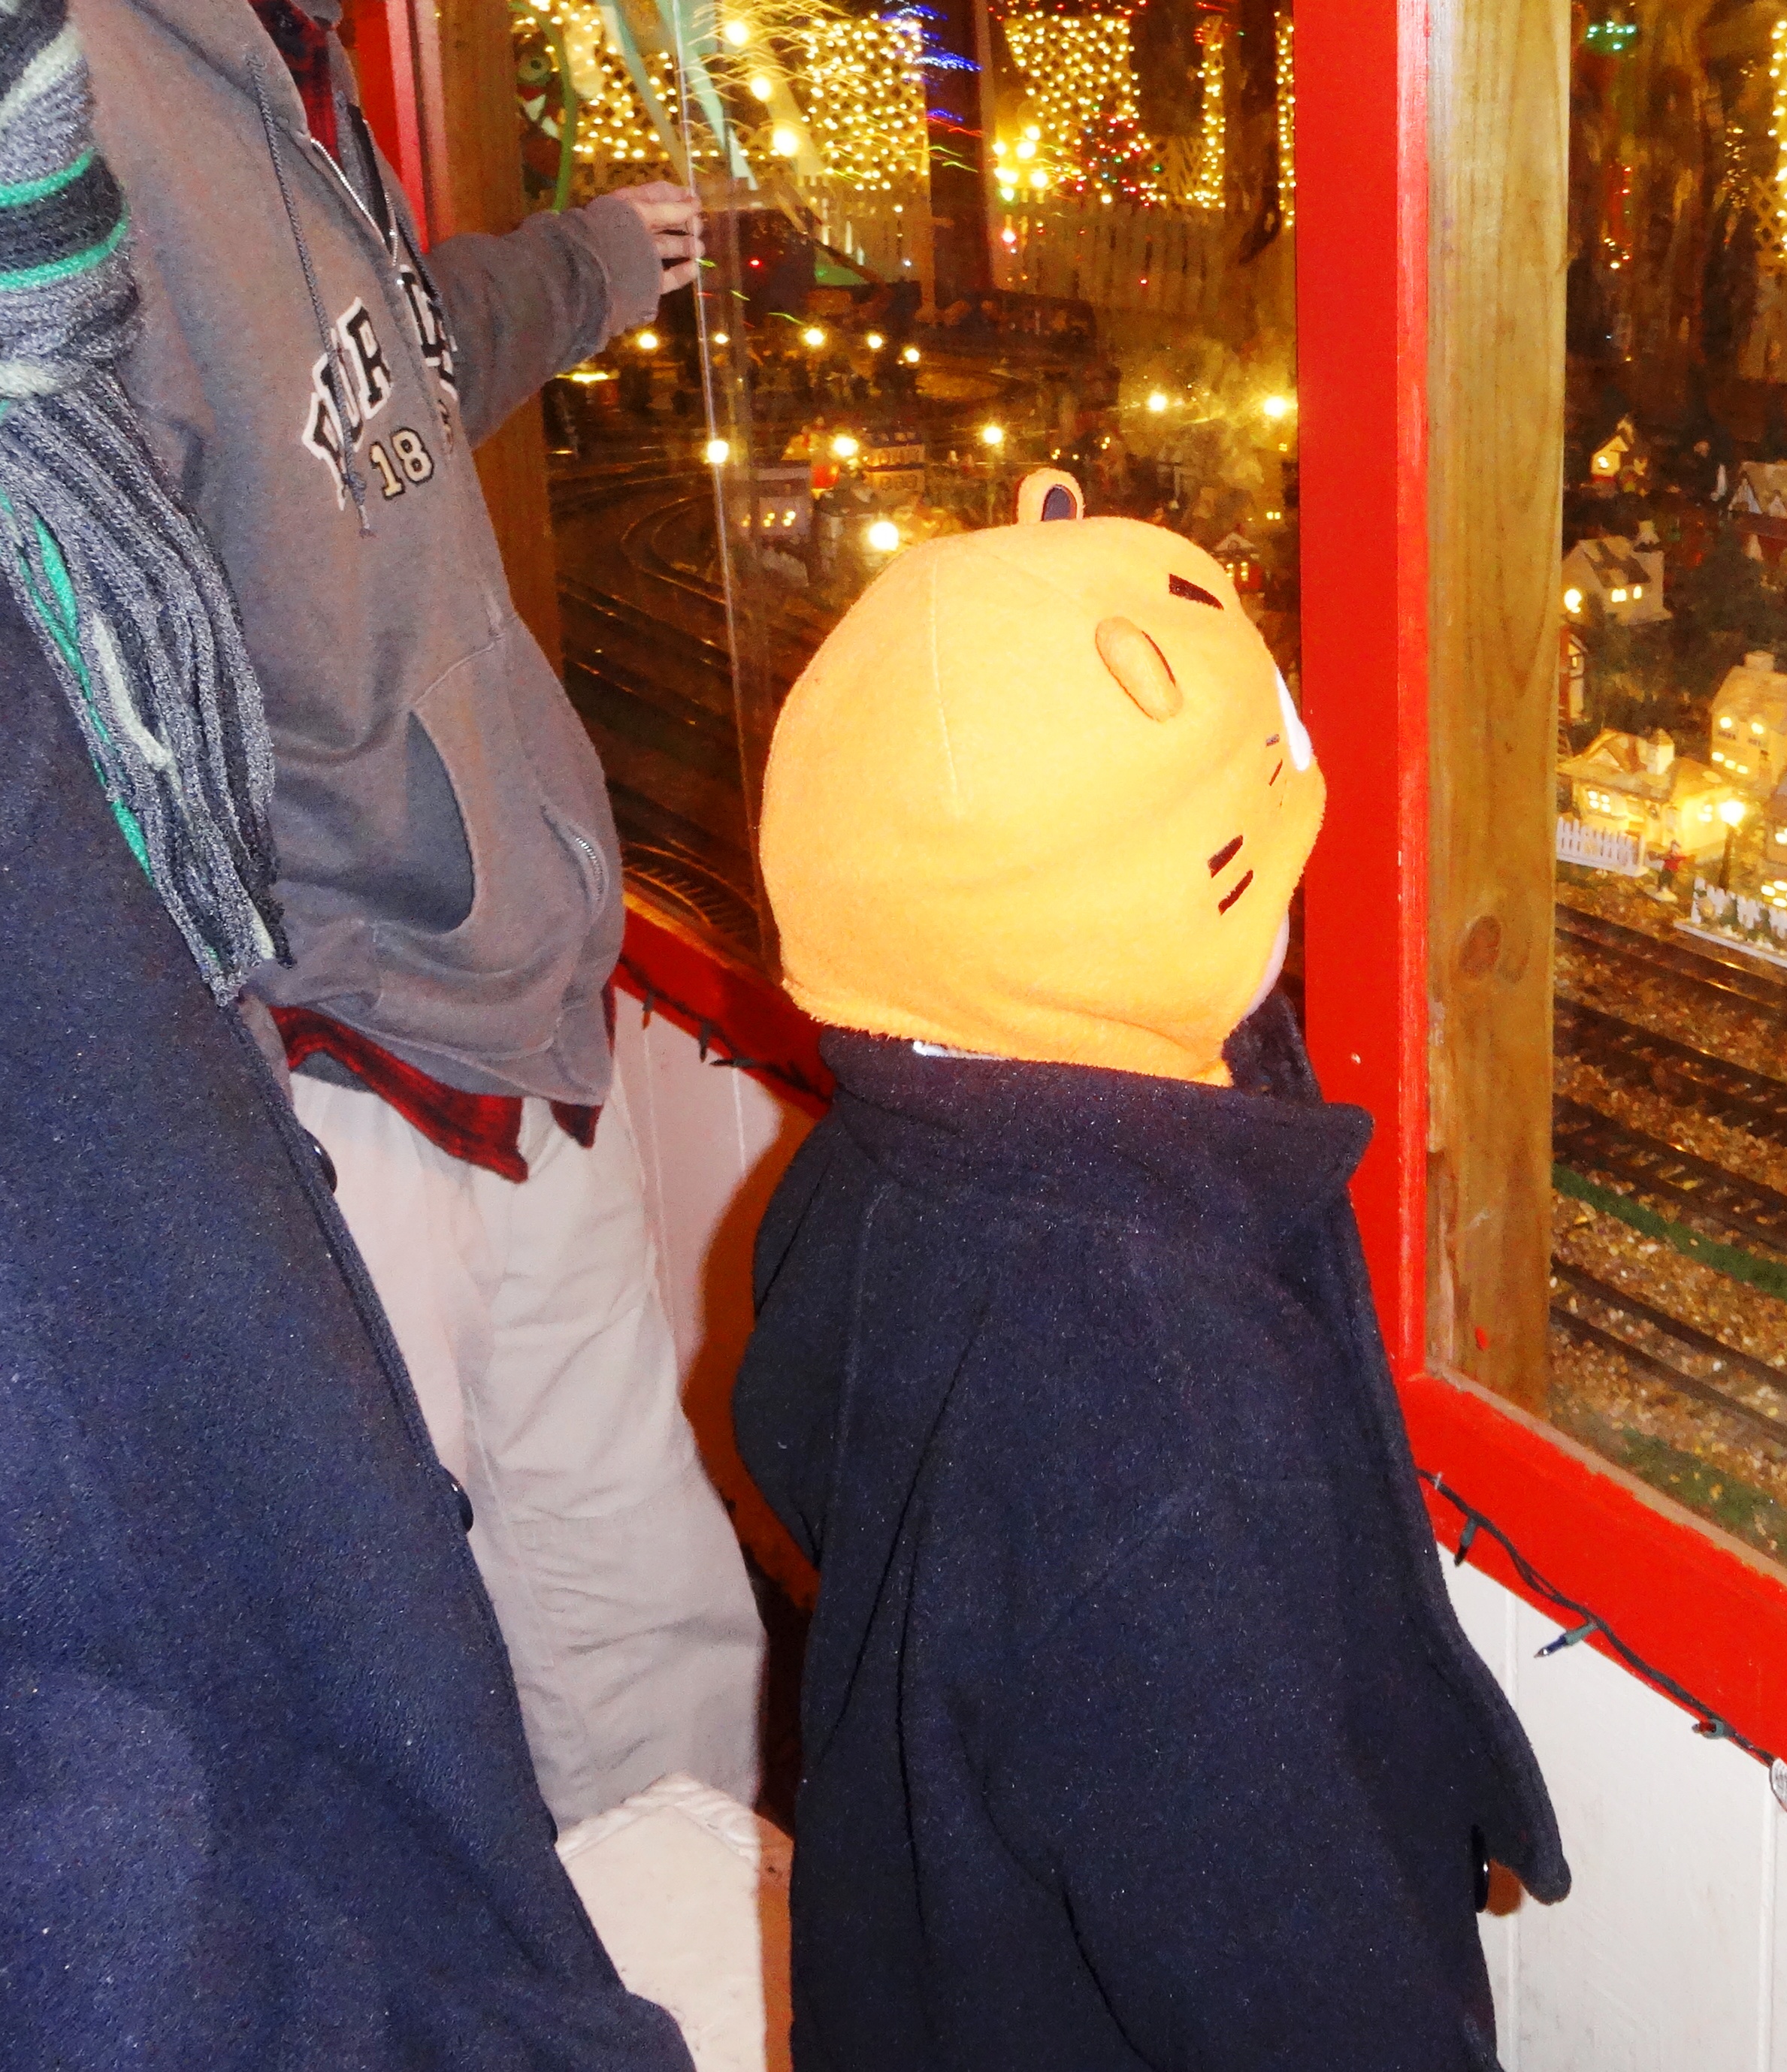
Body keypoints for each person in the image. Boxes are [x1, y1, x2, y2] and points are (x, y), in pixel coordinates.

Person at [0, 8, 690, 2058]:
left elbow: (374, 380)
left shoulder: (284, 58)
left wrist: (587, 263)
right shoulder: (86, 96)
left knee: (639, 1599)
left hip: (512, 974)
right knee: (408, 1716)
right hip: (333, 1045)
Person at [736, 473, 1568, 2069]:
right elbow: (1280, 1956)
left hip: (938, 1959)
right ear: (1179, 896)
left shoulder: (893, 1149)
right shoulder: (1141, 1393)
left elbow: (794, 1433)